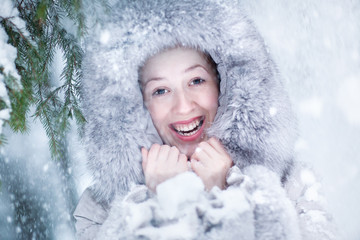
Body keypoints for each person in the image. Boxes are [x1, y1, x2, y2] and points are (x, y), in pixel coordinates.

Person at [74, 0, 336, 239]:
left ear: (225, 84)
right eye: (160, 90)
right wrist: (159, 203)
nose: (184, 105)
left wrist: (228, 193)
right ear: (135, 107)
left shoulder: (293, 185)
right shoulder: (99, 211)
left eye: (196, 80)